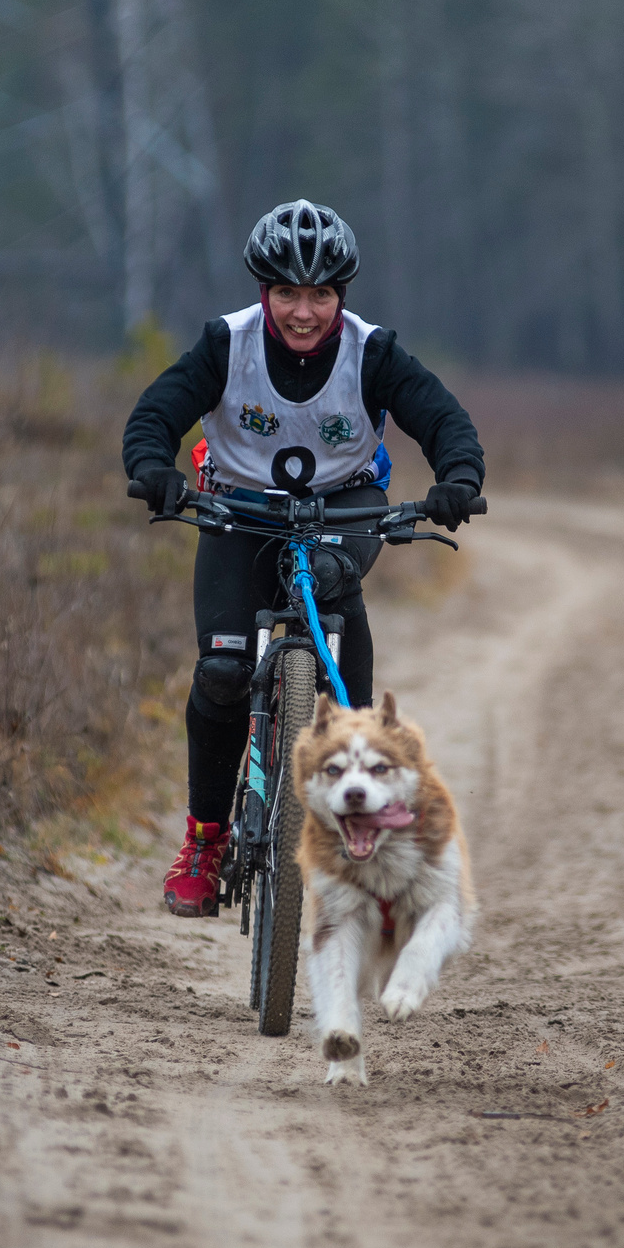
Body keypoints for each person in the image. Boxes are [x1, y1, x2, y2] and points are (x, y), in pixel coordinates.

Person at [123, 199, 486, 917]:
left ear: (340, 294)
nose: (303, 310)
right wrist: (154, 466)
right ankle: (204, 839)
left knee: (327, 591)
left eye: (320, 293)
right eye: (287, 292)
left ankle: (359, 830)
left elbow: (445, 421)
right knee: (223, 671)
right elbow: (156, 414)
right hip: (240, 509)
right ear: (264, 290)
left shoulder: (371, 351)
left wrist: (458, 480)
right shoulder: (226, 345)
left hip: (344, 507)